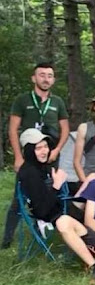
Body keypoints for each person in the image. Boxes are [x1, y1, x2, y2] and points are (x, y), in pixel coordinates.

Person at [14, 129, 95, 277]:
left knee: (93, 177)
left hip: (63, 206)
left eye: (45, 146)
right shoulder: (30, 173)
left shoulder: (39, 167)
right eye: (38, 148)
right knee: (83, 208)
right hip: (56, 215)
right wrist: (56, 185)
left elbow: (50, 196)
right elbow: (42, 209)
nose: (44, 151)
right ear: (30, 150)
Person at [3, 62, 70, 248]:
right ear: (34, 78)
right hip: (30, 157)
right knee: (20, 197)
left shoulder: (57, 102)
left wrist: (56, 150)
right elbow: (13, 128)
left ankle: (47, 228)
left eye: (49, 75)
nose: (45, 79)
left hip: (50, 156)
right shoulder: (23, 100)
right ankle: (7, 239)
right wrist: (18, 156)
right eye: (42, 75)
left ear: (53, 79)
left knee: (51, 191)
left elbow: (65, 129)